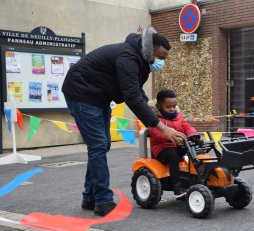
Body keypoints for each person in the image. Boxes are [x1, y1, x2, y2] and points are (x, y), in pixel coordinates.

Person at [62, 26, 186, 216]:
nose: (161, 62)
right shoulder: (128, 58)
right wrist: (161, 127)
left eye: (164, 59)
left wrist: (156, 114)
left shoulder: (141, 59)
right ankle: (103, 201)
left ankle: (90, 197)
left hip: (98, 97)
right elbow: (132, 97)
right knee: (98, 145)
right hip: (81, 93)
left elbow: (136, 91)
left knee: (101, 146)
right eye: (160, 57)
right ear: (150, 48)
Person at [149, 89, 200, 196]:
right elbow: (156, 133)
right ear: (159, 106)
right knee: (172, 156)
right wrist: (170, 137)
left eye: (174, 106)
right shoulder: (154, 120)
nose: (172, 109)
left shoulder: (178, 117)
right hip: (162, 149)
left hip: (177, 145)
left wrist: (194, 135)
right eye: (168, 107)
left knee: (194, 149)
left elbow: (186, 126)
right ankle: (177, 186)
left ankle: (196, 179)